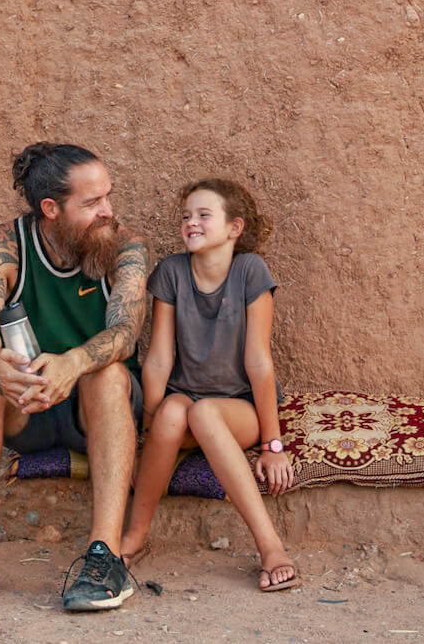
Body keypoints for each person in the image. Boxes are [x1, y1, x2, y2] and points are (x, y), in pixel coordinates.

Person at [0, 142, 149, 612]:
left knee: (106, 375)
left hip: (97, 413)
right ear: (51, 209)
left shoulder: (123, 245)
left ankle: (105, 556)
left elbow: (126, 333)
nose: (107, 211)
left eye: (107, 197)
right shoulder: (5, 245)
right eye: (92, 203)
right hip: (29, 406)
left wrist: (72, 361)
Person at [120, 178, 301, 593]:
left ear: (233, 228)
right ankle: (135, 537)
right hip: (186, 400)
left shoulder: (250, 271)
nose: (191, 223)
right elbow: (160, 359)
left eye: (204, 215)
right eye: (186, 216)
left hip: (239, 409)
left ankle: (270, 546)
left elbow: (258, 360)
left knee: (203, 412)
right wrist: (146, 430)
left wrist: (273, 446)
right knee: (170, 413)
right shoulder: (170, 271)